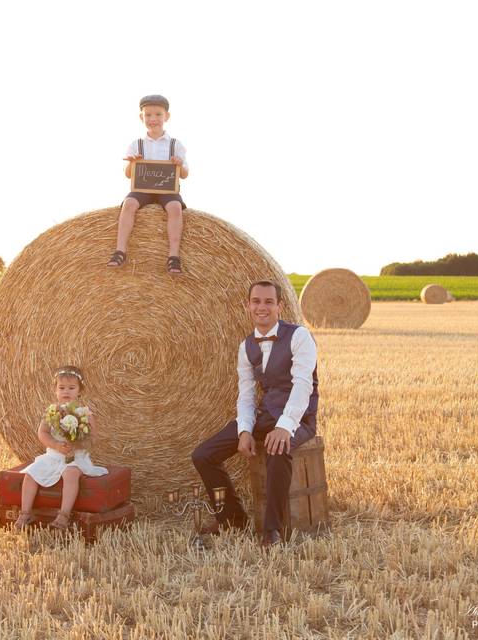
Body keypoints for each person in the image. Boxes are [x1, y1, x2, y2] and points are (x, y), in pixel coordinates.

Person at [191, 280, 319, 546]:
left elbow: (303, 384)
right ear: (248, 306)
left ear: (279, 307)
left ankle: (272, 530)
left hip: (299, 417)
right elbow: (247, 395)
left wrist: (285, 426)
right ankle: (232, 518)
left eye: (269, 302)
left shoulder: (299, 336)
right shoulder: (246, 347)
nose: (262, 307)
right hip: (264, 416)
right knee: (203, 455)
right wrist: (245, 430)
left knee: (277, 449)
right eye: (257, 301)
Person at [13, 365, 107, 530]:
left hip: (76, 457)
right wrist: (56, 444)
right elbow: (42, 433)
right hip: (53, 456)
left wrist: (77, 444)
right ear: (55, 391)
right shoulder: (52, 411)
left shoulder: (85, 413)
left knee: (71, 474)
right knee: (31, 474)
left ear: (80, 391)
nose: (66, 392)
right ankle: (25, 512)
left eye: (71, 388)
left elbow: (93, 437)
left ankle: (63, 515)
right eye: (61, 388)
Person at [106, 94, 190, 275]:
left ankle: (173, 255)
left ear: (166, 116)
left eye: (158, 114)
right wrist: (132, 163)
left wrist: (179, 164)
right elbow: (128, 175)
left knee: (175, 206)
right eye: (148, 115)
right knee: (128, 204)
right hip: (142, 190)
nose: (153, 119)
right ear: (141, 117)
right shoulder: (136, 144)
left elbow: (185, 175)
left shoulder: (175, 145)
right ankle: (120, 250)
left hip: (167, 190)